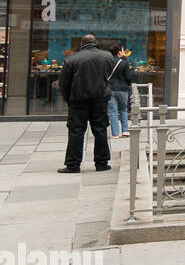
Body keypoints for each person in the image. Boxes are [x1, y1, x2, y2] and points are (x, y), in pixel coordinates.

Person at [58, 34, 115, 173]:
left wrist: (68, 99)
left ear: (81, 44)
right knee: (101, 130)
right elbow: (108, 76)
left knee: (76, 132)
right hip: (100, 99)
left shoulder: (71, 59)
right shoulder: (107, 56)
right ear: (96, 42)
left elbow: (64, 83)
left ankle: (73, 164)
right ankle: (102, 163)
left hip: (78, 100)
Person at [106, 44, 135, 138]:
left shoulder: (107, 62)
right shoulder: (124, 62)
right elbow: (128, 77)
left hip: (110, 89)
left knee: (112, 111)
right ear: (119, 52)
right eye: (122, 50)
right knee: (123, 109)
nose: (123, 52)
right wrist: (128, 83)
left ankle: (115, 134)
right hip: (122, 89)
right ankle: (125, 131)